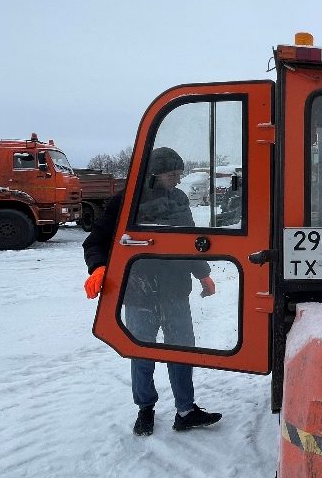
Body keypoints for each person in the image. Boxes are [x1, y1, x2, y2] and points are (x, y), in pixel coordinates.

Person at [83, 146, 222, 437]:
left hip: (175, 291)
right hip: (138, 291)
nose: (177, 180)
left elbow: (191, 241)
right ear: (155, 172)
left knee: (182, 350)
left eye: (179, 175)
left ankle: (185, 410)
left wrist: (203, 274)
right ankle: (145, 409)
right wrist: (98, 267)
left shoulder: (180, 199)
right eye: (173, 174)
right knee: (142, 351)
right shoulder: (126, 200)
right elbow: (95, 242)